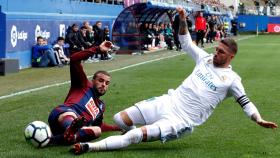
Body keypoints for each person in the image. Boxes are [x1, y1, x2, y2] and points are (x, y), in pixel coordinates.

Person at [71, 7, 278, 154]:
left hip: (181, 120)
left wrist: (258, 118)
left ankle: (91, 147)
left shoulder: (232, 79)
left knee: (133, 137)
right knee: (119, 119)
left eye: (221, 52)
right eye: (216, 49)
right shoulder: (204, 59)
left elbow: (245, 102)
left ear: (231, 57)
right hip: (168, 101)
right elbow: (186, 42)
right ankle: (132, 136)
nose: (216, 54)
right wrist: (181, 19)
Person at [48, 41, 121, 145]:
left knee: (97, 131)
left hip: (77, 128)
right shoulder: (83, 84)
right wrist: (97, 49)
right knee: (72, 115)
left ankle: (57, 139)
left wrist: (118, 128)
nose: (104, 84)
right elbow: (74, 59)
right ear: (93, 80)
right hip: (63, 114)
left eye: (107, 83)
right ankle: (71, 128)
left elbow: (100, 126)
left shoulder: (101, 106)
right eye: (101, 80)